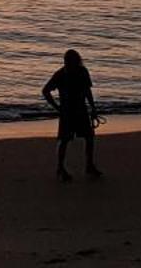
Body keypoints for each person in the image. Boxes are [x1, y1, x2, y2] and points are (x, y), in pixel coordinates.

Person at [42, 48, 102, 182]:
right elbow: (45, 91)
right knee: (65, 140)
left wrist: (92, 108)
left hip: (78, 110)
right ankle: (61, 167)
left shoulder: (80, 72)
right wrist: (57, 107)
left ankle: (88, 165)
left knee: (88, 137)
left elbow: (87, 92)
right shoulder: (62, 74)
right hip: (69, 112)